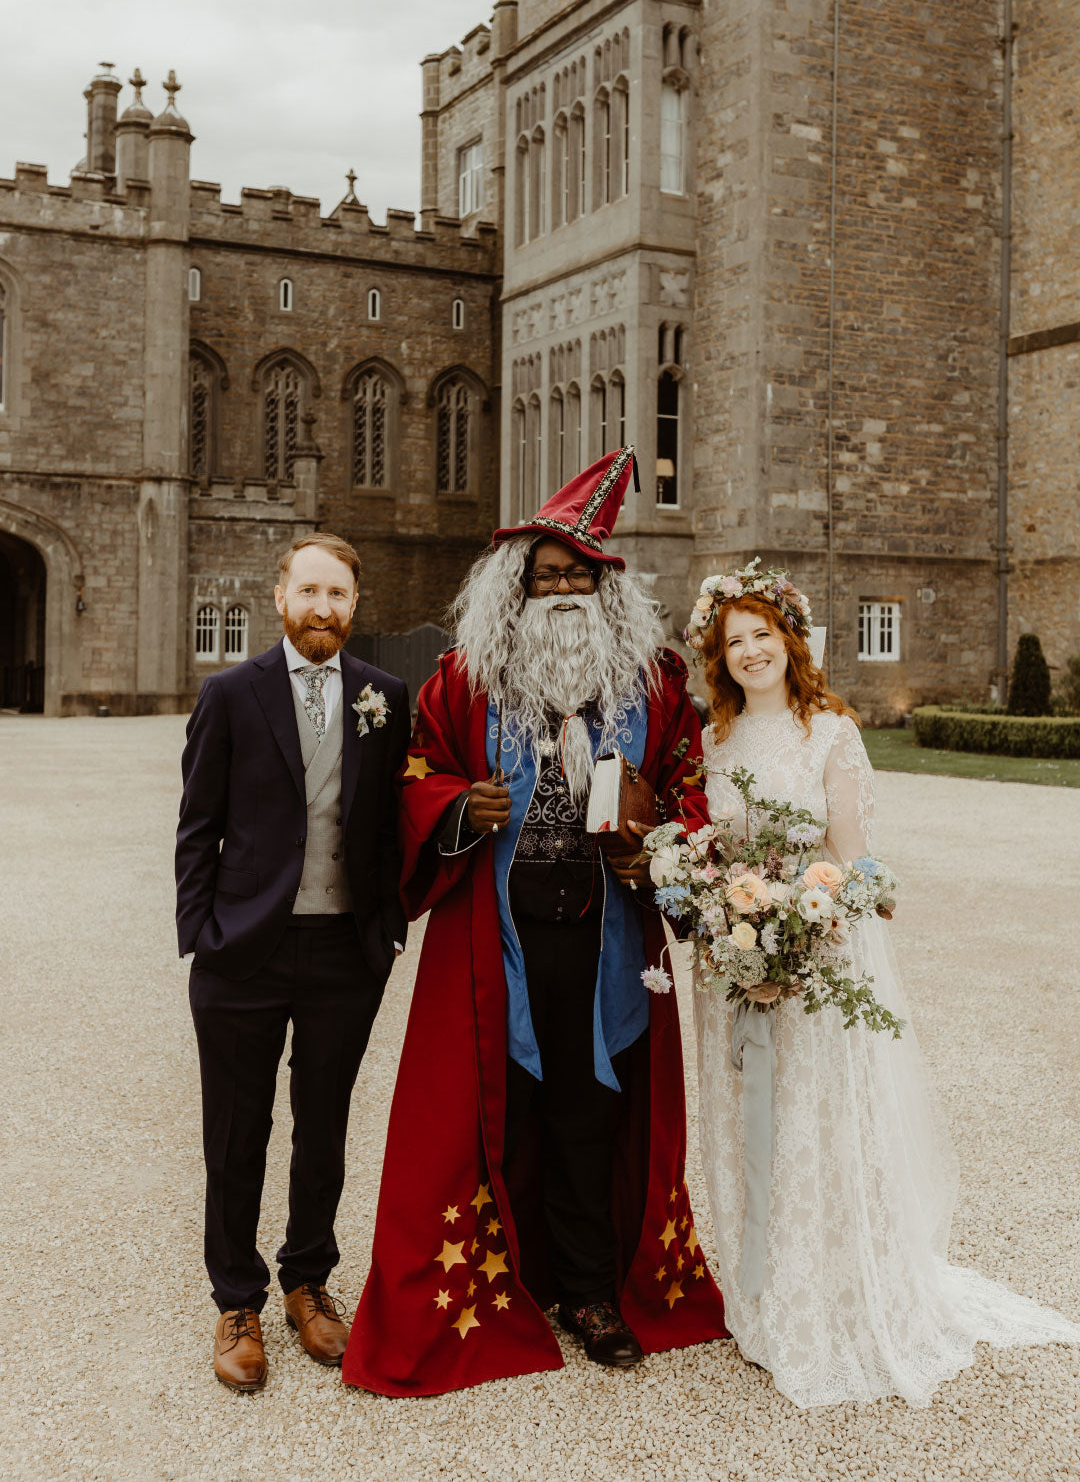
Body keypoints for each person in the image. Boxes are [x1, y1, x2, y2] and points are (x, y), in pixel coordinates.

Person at [342, 446, 728, 1396]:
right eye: (545, 576)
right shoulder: (464, 679)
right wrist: (454, 809)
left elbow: (691, 790)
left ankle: (592, 1292)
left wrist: (657, 842)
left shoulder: (657, 683)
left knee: (591, 1109)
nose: (560, 589)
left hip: (606, 939)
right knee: (498, 1109)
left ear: (605, 587)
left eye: (576, 576)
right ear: (518, 591)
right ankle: (503, 1282)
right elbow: (414, 774)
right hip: (497, 934)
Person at [688, 558, 1080, 1407]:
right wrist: (724, 916)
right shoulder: (713, 739)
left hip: (814, 958)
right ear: (719, 658)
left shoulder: (829, 730)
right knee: (745, 1116)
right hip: (730, 962)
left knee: (812, 1120)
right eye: (735, 642)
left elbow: (855, 861)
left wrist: (800, 925)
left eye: (763, 636)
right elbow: (711, 848)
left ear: (790, 641)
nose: (752, 651)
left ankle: (825, 1298)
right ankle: (758, 1298)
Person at [175, 533, 410, 1391]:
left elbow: (390, 821)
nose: (323, 608)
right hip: (243, 949)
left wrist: (387, 931)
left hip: (346, 948)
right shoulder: (233, 694)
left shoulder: (386, 696)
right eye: (309, 591)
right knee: (237, 1133)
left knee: (325, 1124)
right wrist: (200, 933)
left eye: (338, 594)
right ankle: (236, 1298)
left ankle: (308, 1281)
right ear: (281, 598)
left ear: (355, 605)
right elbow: (198, 823)